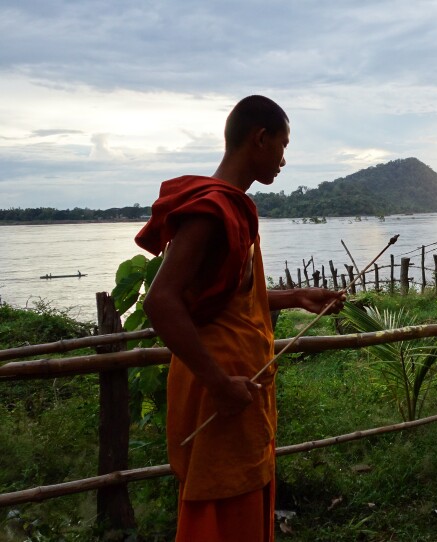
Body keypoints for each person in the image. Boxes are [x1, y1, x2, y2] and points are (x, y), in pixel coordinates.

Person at [137, 95, 344, 542]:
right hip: (220, 389)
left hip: (240, 387)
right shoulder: (211, 210)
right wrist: (217, 382)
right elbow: (161, 301)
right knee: (218, 510)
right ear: (260, 138)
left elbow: (231, 297)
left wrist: (295, 297)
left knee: (247, 501)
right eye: (283, 146)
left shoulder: (232, 208)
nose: (284, 159)